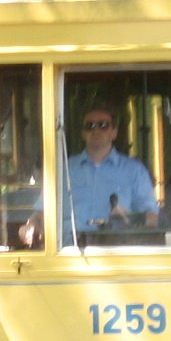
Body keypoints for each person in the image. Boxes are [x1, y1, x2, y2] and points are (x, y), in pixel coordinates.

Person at [18, 105, 157, 247]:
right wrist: (31, 226)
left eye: (103, 125)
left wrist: (130, 219)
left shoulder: (134, 171)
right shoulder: (64, 169)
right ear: (83, 134)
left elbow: (152, 217)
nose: (96, 130)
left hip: (118, 256)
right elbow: (42, 213)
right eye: (89, 126)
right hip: (68, 255)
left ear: (114, 132)